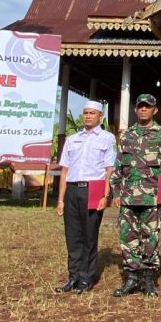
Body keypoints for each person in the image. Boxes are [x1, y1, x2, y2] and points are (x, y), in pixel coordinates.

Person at [109, 94, 161, 298]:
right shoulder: (127, 135)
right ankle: (131, 277)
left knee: (151, 237)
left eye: (148, 107)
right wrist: (116, 191)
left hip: (152, 196)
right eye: (140, 107)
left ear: (155, 110)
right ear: (136, 110)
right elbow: (118, 165)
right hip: (128, 197)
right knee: (127, 238)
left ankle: (148, 279)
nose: (144, 110)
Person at [55, 101, 117, 294]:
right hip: (72, 190)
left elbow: (109, 170)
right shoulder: (72, 139)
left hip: (93, 189)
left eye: (92, 113)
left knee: (89, 235)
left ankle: (86, 278)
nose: (88, 116)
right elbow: (65, 170)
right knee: (72, 236)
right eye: (85, 113)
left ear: (100, 116)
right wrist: (60, 199)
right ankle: (72, 276)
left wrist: (106, 195)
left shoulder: (107, 138)